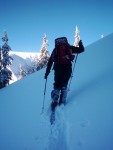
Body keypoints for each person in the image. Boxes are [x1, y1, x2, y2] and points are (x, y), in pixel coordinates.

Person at [44, 37, 84, 112]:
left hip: (57, 69)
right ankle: (62, 102)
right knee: (64, 85)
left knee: (57, 84)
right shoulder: (69, 48)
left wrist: (47, 73)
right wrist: (80, 44)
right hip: (67, 69)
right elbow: (81, 50)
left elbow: (50, 62)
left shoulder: (55, 50)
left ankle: (55, 97)